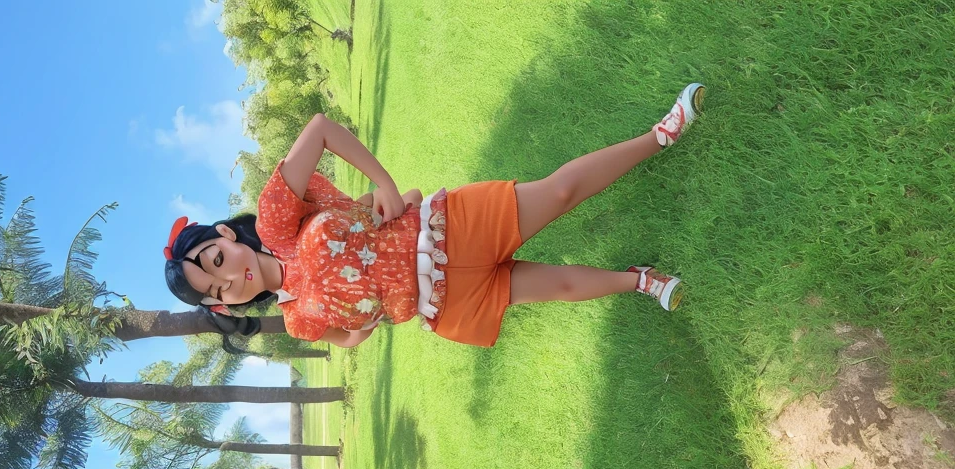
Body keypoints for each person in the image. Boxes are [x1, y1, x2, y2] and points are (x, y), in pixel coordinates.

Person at [163, 83, 705, 348]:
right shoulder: (297, 318)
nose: (231, 277)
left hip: (446, 231)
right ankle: (640, 282)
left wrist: (382, 185)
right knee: (559, 287)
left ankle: (659, 135)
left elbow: (320, 130)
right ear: (226, 305)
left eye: (216, 258)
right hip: (445, 303)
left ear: (229, 237)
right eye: (219, 290)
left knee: (559, 193)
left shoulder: (276, 220)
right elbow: (349, 339)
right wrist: (366, 318)